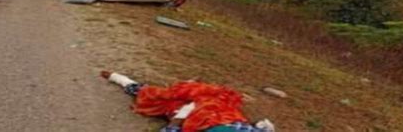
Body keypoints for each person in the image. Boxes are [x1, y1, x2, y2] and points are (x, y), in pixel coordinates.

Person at [101, 71, 275, 132]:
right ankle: (123, 80)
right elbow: (263, 126)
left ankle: (123, 80)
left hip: (194, 116)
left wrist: (183, 115)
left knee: (154, 96)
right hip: (219, 110)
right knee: (174, 94)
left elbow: (172, 128)